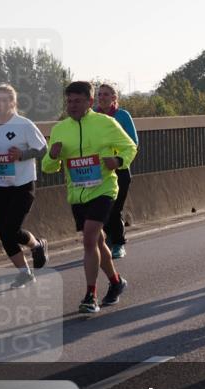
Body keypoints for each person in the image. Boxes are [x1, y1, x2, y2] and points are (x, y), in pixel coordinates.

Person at [42, 81, 138, 314]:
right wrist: (53, 157)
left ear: (90, 102)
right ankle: (116, 282)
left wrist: (118, 161)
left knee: (89, 238)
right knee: (97, 241)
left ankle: (90, 295)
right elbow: (47, 166)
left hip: (104, 189)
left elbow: (130, 146)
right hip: (77, 193)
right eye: (69, 101)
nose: (72, 106)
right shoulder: (60, 129)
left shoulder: (106, 123)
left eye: (77, 101)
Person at [0, 84, 49, 288]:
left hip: (23, 185)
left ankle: (36, 245)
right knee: (3, 231)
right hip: (1, 185)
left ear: (13, 103)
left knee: (11, 229)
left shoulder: (24, 125)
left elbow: (43, 149)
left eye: (3, 100)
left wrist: (22, 155)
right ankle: (24, 272)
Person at [95, 84, 138, 259]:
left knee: (114, 208)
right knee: (101, 209)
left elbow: (133, 142)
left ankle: (118, 243)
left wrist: (117, 159)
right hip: (98, 171)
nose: (102, 97)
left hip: (119, 169)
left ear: (114, 97)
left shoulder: (122, 116)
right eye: (99, 94)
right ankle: (107, 241)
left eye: (106, 94)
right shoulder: (93, 117)